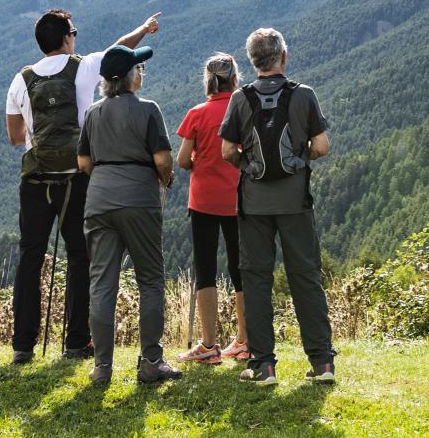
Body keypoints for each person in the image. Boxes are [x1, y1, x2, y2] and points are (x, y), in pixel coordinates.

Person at [6, 10, 161, 364]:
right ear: (66, 38)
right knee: (80, 256)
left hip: (35, 178)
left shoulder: (21, 79)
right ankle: (76, 341)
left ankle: (22, 345)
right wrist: (145, 28)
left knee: (30, 257)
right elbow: (119, 49)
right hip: (75, 175)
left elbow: (15, 137)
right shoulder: (85, 66)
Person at [220, 27, 335, 385]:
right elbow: (322, 145)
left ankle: (263, 366)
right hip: (295, 201)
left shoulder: (240, 98)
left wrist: (249, 167)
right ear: (283, 56)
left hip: (254, 203)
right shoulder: (303, 95)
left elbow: (227, 151)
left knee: (256, 280)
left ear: (254, 62)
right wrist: (300, 159)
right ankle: (322, 364)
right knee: (305, 277)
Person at [78, 44, 180, 385]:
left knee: (102, 283)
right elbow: (163, 160)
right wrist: (165, 180)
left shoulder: (93, 113)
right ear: (133, 76)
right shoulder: (149, 110)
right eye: (140, 68)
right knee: (150, 279)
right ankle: (151, 361)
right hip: (139, 198)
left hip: (99, 200)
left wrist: (106, 180)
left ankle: (102, 367)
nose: (143, 72)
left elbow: (83, 163)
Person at [175, 53, 249, 364]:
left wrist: (199, 163)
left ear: (208, 81)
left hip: (203, 200)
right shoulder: (244, 111)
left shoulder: (196, 113)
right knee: (240, 269)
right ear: (235, 79)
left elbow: (181, 160)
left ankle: (208, 346)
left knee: (205, 270)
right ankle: (244, 341)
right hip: (238, 199)